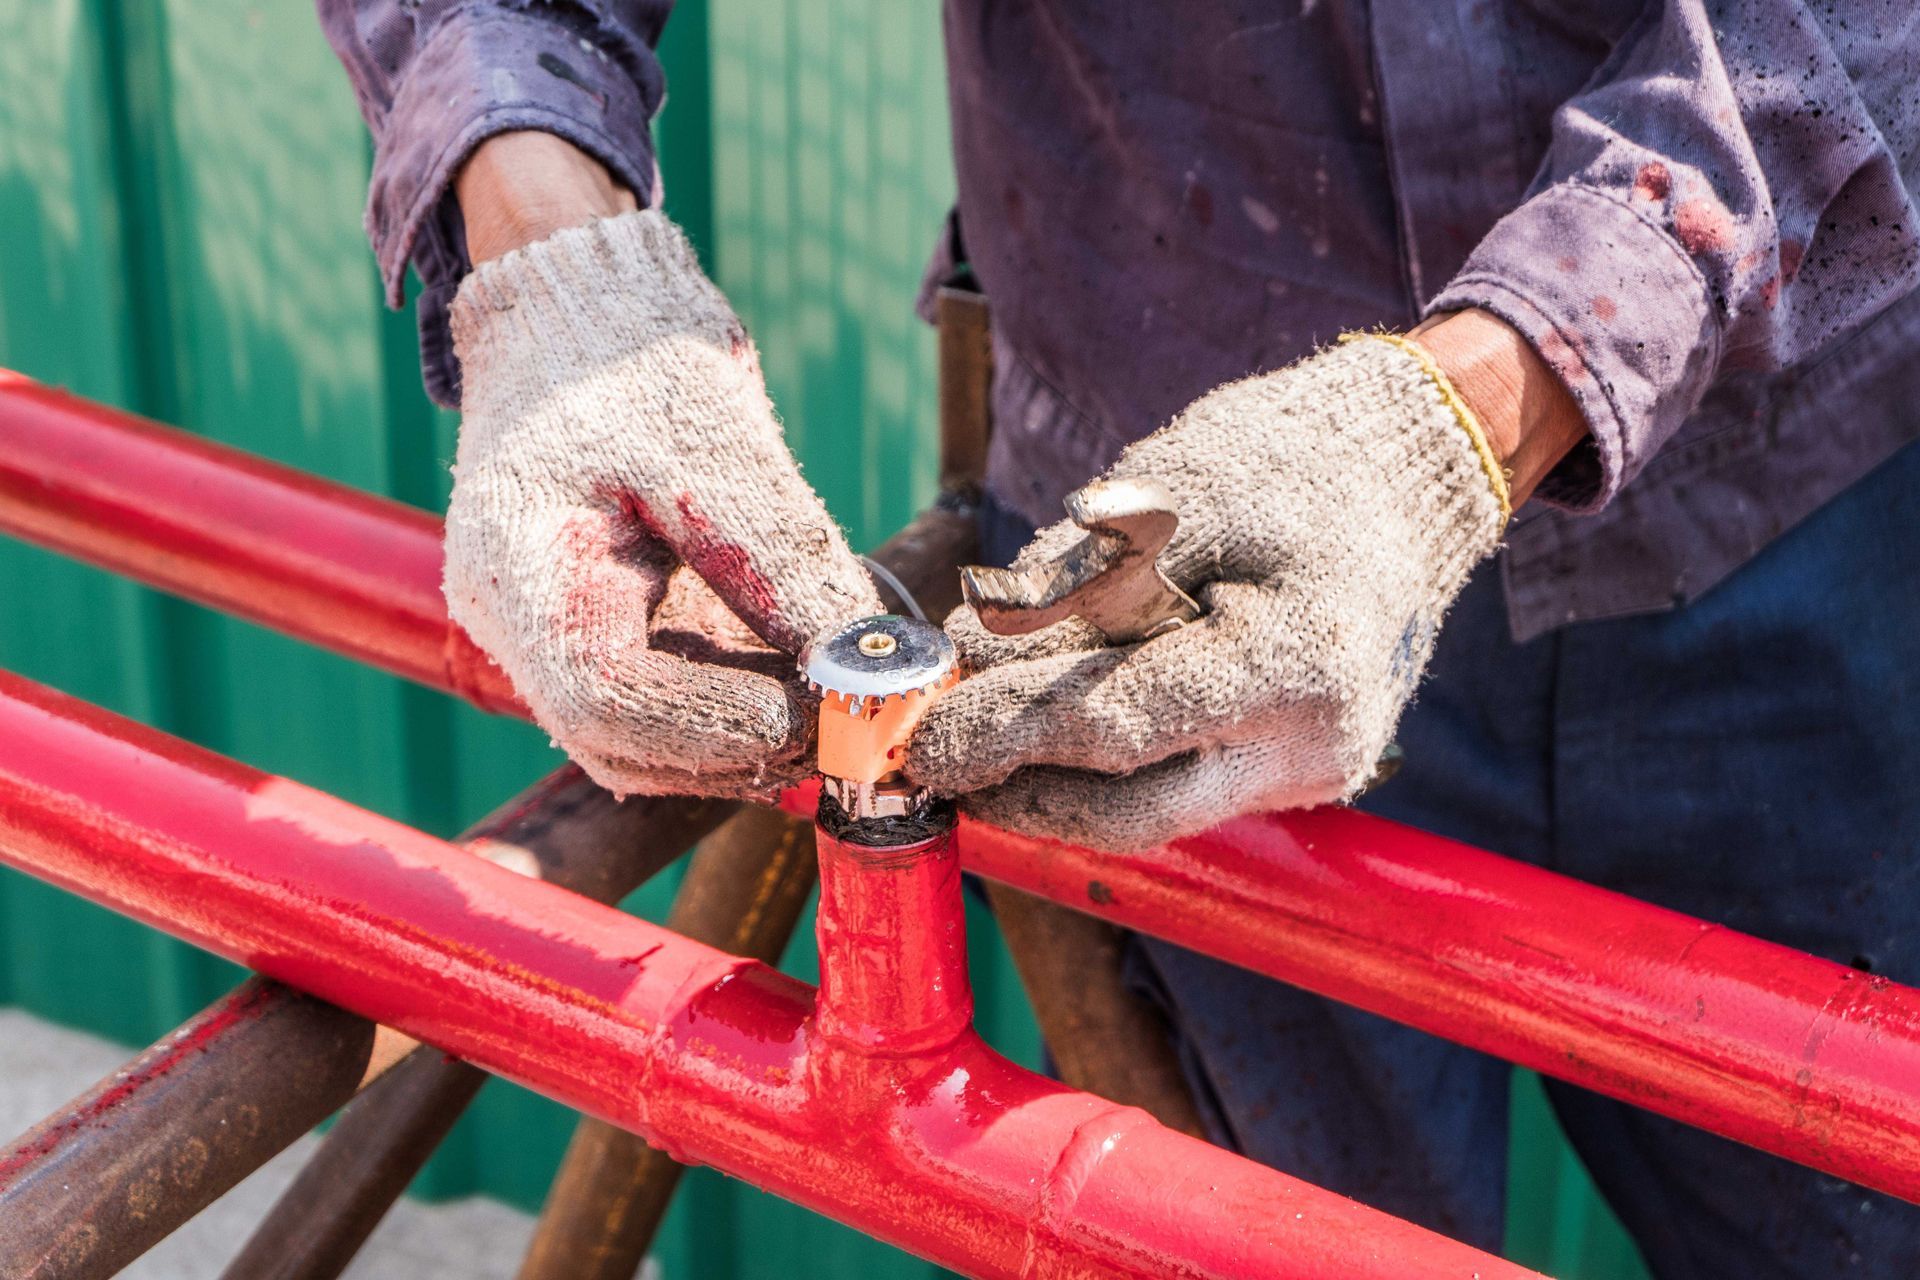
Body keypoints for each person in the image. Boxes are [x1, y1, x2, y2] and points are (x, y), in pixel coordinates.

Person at [320, 3, 1920, 1273]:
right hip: (1172, 575)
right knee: (1258, 1243)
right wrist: (545, 243)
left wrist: (1475, 407)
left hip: (1788, 513)